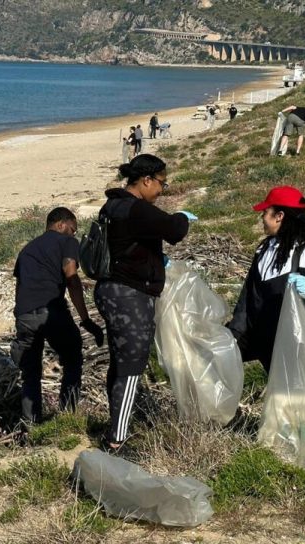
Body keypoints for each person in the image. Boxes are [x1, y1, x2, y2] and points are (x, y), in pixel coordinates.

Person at [93, 155, 195, 450]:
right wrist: (183, 217)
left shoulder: (111, 205)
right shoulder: (135, 209)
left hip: (110, 291)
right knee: (132, 365)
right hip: (128, 295)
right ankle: (117, 442)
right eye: (162, 183)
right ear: (146, 180)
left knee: (120, 361)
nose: (162, 189)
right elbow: (174, 230)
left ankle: (116, 427)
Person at [11, 207, 104, 424]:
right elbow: (71, 276)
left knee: (30, 373)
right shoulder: (67, 242)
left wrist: (20, 316)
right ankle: (67, 419)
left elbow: (19, 287)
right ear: (61, 225)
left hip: (24, 314)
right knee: (73, 358)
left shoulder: (27, 249)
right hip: (51, 311)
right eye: (72, 229)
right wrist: (86, 319)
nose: (73, 234)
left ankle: (31, 427)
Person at [228, 186, 305, 374]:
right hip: (260, 337)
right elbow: (248, 298)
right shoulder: (264, 250)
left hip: (291, 346)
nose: (262, 217)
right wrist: (233, 334)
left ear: (279, 216)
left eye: (266, 212)